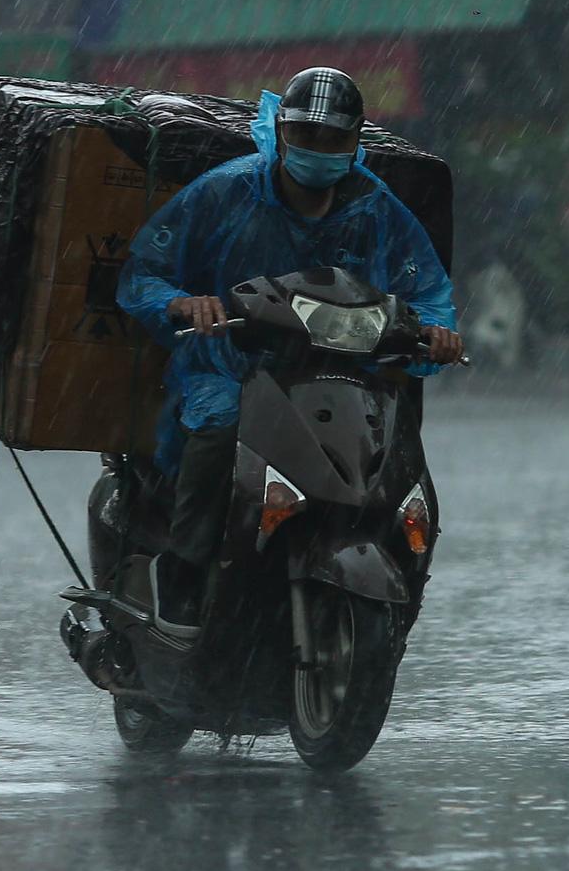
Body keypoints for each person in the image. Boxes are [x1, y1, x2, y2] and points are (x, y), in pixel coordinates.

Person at [105, 67, 462, 630]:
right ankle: (184, 573)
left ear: (356, 142)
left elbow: (428, 291)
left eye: (334, 140)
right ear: (281, 130)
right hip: (231, 366)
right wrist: (184, 304)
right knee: (220, 428)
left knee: (393, 459)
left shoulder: (378, 208)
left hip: (343, 373)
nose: (319, 151)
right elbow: (146, 271)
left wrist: (437, 331)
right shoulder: (226, 191)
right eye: (307, 137)